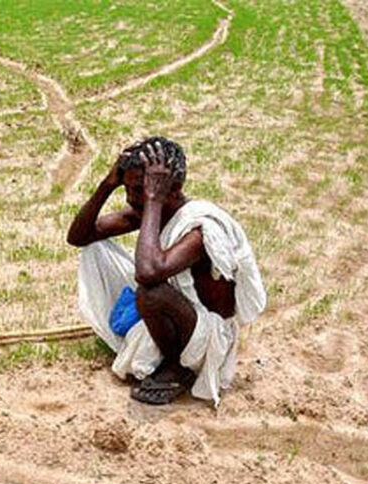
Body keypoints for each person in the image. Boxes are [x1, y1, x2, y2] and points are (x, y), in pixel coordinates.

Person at [67, 137, 266, 405]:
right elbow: (80, 236)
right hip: (181, 317)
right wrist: (108, 184)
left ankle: (178, 367)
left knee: (150, 293)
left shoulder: (199, 228)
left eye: (140, 189)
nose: (131, 198)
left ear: (173, 190)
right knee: (95, 248)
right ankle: (167, 349)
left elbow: (148, 273)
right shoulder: (150, 209)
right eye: (128, 188)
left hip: (206, 337)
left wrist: (152, 200)